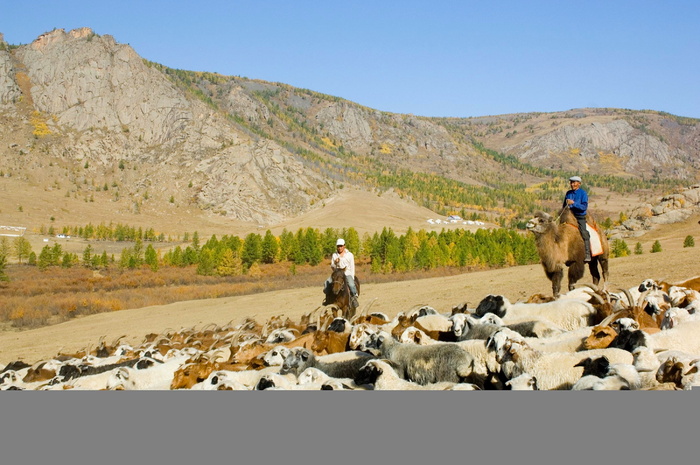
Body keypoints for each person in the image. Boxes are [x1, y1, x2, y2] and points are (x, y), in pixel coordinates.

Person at [323, 238, 358, 308]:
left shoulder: (350, 255)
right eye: (338, 246)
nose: (339, 248)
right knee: (326, 282)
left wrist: (352, 277)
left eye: (341, 246)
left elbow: (352, 266)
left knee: (351, 284)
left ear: (344, 246)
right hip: (337, 273)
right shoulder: (334, 255)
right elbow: (332, 267)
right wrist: (335, 263)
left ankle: (354, 298)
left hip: (346, 273)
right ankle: (327, 300)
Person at [563, 175, 591, 262]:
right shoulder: (568, 193)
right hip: (569, 217)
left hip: (580, 217)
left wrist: (573, 203)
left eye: (574, 182)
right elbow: (564, 206)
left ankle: (587, 254)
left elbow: (584, 207)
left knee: (584, 233)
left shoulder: (583, 193)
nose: (572, 184)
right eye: (571, 182)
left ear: (579, 183)